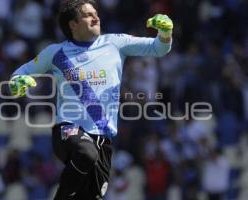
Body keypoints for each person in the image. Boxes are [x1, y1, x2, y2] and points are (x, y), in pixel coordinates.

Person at [9, 0, 173, 199]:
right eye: (88, 15)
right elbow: (21, 74)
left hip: (103, 139)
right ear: (73, 24)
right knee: (86, 153)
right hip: (68, 131)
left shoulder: (115, 43)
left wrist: (165, 34)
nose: (96, 17)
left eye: (96, 13)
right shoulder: (55, 53)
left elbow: (158, 48)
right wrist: (18, 83)